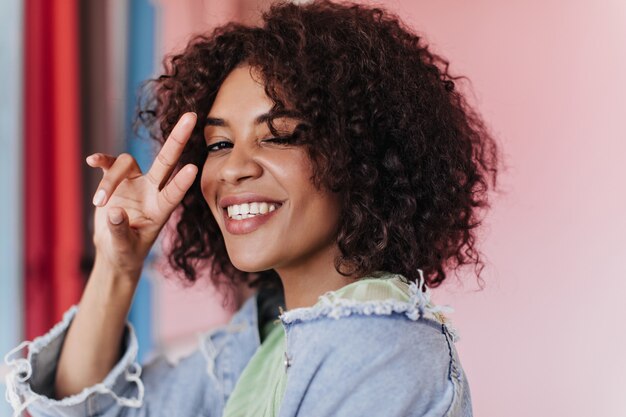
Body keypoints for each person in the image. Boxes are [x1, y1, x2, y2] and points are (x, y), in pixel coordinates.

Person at [4, 1, 500, 416]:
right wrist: (117, 264)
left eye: (280, 136)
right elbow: (96, 410)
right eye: (219, 144)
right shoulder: (261, 341)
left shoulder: (379, 344)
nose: (234, 169)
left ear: (364, 158)